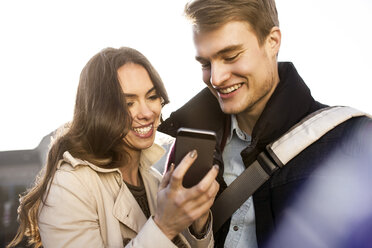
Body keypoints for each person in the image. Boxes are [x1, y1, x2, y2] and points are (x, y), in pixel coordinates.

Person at [158, 0, 372, 247]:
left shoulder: (355, 140)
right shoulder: (185, 150)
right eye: (205, 64)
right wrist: (196, 229)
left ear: (273, 42)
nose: (216, 78)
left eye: (230, 56)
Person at [7, 47, 220, 248]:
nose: (146, 112)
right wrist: (164, 227)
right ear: (99, 112)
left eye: (152, 97)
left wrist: (198, 223)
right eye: (128, 103)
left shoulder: (155, 181)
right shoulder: (68, 188)